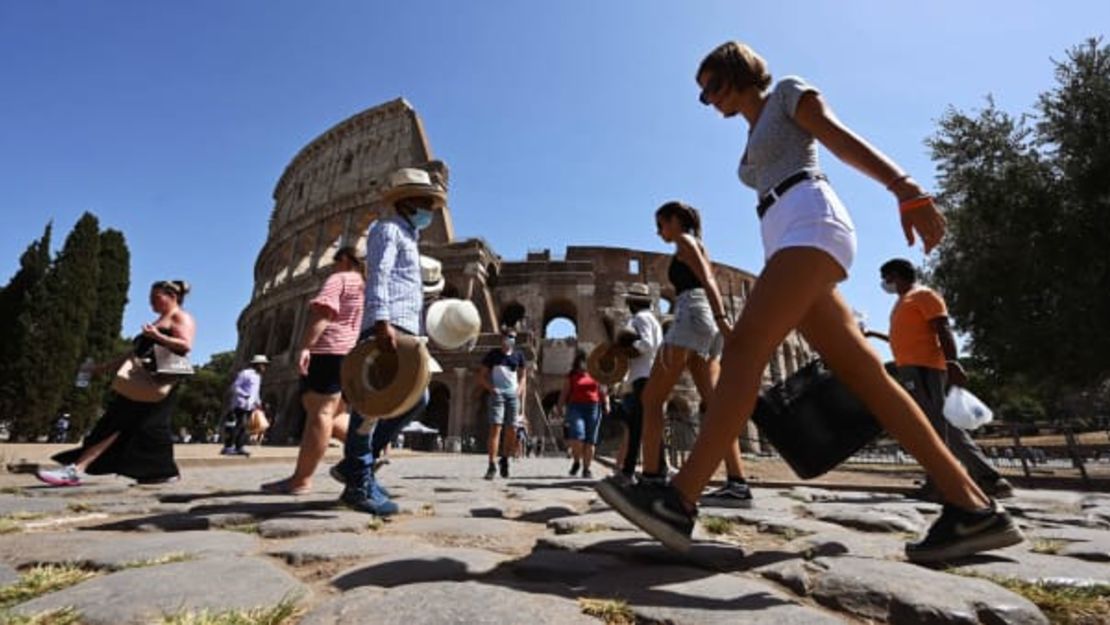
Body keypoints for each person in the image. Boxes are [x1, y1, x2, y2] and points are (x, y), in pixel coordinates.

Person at [597, 41, 1022, 563]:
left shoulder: (787, 95)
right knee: (871, 380)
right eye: (702, 94)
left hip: (812, 222)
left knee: (747, 350)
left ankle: (677, 498)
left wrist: (904, 187)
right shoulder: (752, 132)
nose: (708, 100)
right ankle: (972, 507)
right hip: (788, 235)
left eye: (713, 86)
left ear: (741, 74)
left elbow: (840, 141)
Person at [600, 201, 754, 508]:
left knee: (652, 398)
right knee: (716, 405)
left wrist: (724, 321)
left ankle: (653, 477)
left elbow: (709, 280)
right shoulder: (698, 244)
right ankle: (737, 483)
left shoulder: (686, 240)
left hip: (691, 316)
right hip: (704, 320)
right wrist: (718, 321)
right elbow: (708, 279)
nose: (658, 232)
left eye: (661, 225)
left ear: (676, 220)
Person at [333, 167, 444, 516]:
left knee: (415, 398)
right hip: (387, 325)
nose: (430, 207)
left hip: (405, 328)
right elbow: (378, 276)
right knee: (370, 406)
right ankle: (357, 482)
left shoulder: (410, 237)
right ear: (407, 201)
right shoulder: (386, 229)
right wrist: (381, 321)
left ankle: (358, 464)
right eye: (425, 201)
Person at [865, 258, 1013, 500]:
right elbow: (904, 340)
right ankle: (948, 478)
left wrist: (953, 362)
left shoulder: (923, 295)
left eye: (886, 278)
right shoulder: (903, 302)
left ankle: (983, 478)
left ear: (895, 275)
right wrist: (873, 334)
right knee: (934, 425)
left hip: (926, 369)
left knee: (938, 426)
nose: (885, 283)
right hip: (912, 369)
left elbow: (943, 328)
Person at [37, 280, 196, 486]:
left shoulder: (180, 317)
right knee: (143, 427)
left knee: (119, 424)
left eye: (156, 298)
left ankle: (76, 469)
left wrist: (157, 336)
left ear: (172, 297)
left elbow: (185, 345)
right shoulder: (159, 320)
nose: (151, 302)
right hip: (143, 381)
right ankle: (161, 472)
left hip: (159, 382)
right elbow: (133, 354)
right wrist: (101, 368)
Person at [261, 246, 363, 495]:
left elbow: (324, 314)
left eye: (335, 261)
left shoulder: (339, 279)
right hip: (351, 354)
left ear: (346, 260)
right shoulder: (365, 286)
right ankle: (370, 450)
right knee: (337, 414)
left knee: (319, 412)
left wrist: (306, 346)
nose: (332, 266)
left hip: (328, 349)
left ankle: (301, 479)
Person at [610, 295, 663, 485]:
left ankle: (630, 471)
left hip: (643, 377)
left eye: (629, 303)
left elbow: (646, 345)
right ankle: (654, 470)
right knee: (644, 425)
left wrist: (626, 348)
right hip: (646, 375)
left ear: (633, 303)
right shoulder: (653, 319)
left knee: (637, 426)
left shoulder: (641, 318)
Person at [478, 327, 528, 479]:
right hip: (497, 394)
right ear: (502, 338)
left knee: (512, 429)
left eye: (513, 337)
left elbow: (523, 376)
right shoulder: (493, 355)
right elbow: (482, 376)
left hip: (513, 395)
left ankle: (504, 459)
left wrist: (519, 391)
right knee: (495, 428)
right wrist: (492, 389)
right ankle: (491, 465)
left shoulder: (519, 355)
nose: (510, 339)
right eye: (508, 337)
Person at [557, 350, 607, 478]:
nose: (585, 364)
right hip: (576, 407)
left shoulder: (596, 374)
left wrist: (606, 403)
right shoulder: (572, 375)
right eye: (583, 361)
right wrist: (559, 406)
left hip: (593, 407)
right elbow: (565, 392)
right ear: (578, 362)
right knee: (578, 436)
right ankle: (576, 461)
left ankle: (586, 469)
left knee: (590, 440)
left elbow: (602, 390)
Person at [222, 355, 268, 456]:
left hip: (250, 406)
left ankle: (239, 447)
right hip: (240, 404)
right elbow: (234, 387)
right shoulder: (245, 373)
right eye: (264, 365)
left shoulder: (258, 377)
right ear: (258, 364)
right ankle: (229, 447)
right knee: (237, 426)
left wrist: (259, 404)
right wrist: (245, 395)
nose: (265, 367)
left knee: (244, 427)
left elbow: (256, 393)